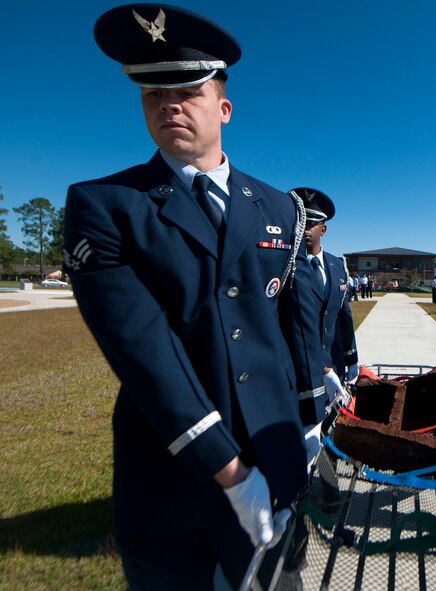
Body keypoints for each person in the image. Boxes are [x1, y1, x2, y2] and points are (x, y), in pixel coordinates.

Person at [63, 6, 326, 589]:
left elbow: (293, 329)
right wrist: (231, 475)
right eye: (153, 94)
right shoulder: (105, 205)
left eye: (187, 90)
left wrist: (308, 426)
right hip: (170, 470)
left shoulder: (279, 207)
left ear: (224, 108)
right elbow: (140, 347)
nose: (168, 105)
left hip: (273, 461)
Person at [292, 187, 359, 385]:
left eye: (311, 224)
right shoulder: (286, 264)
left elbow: (342, 315)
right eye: (300, 222)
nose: (304, 229)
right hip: (299, 366)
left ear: (323, 229)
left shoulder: (337, 265)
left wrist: (351, 357)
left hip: (334, 363)